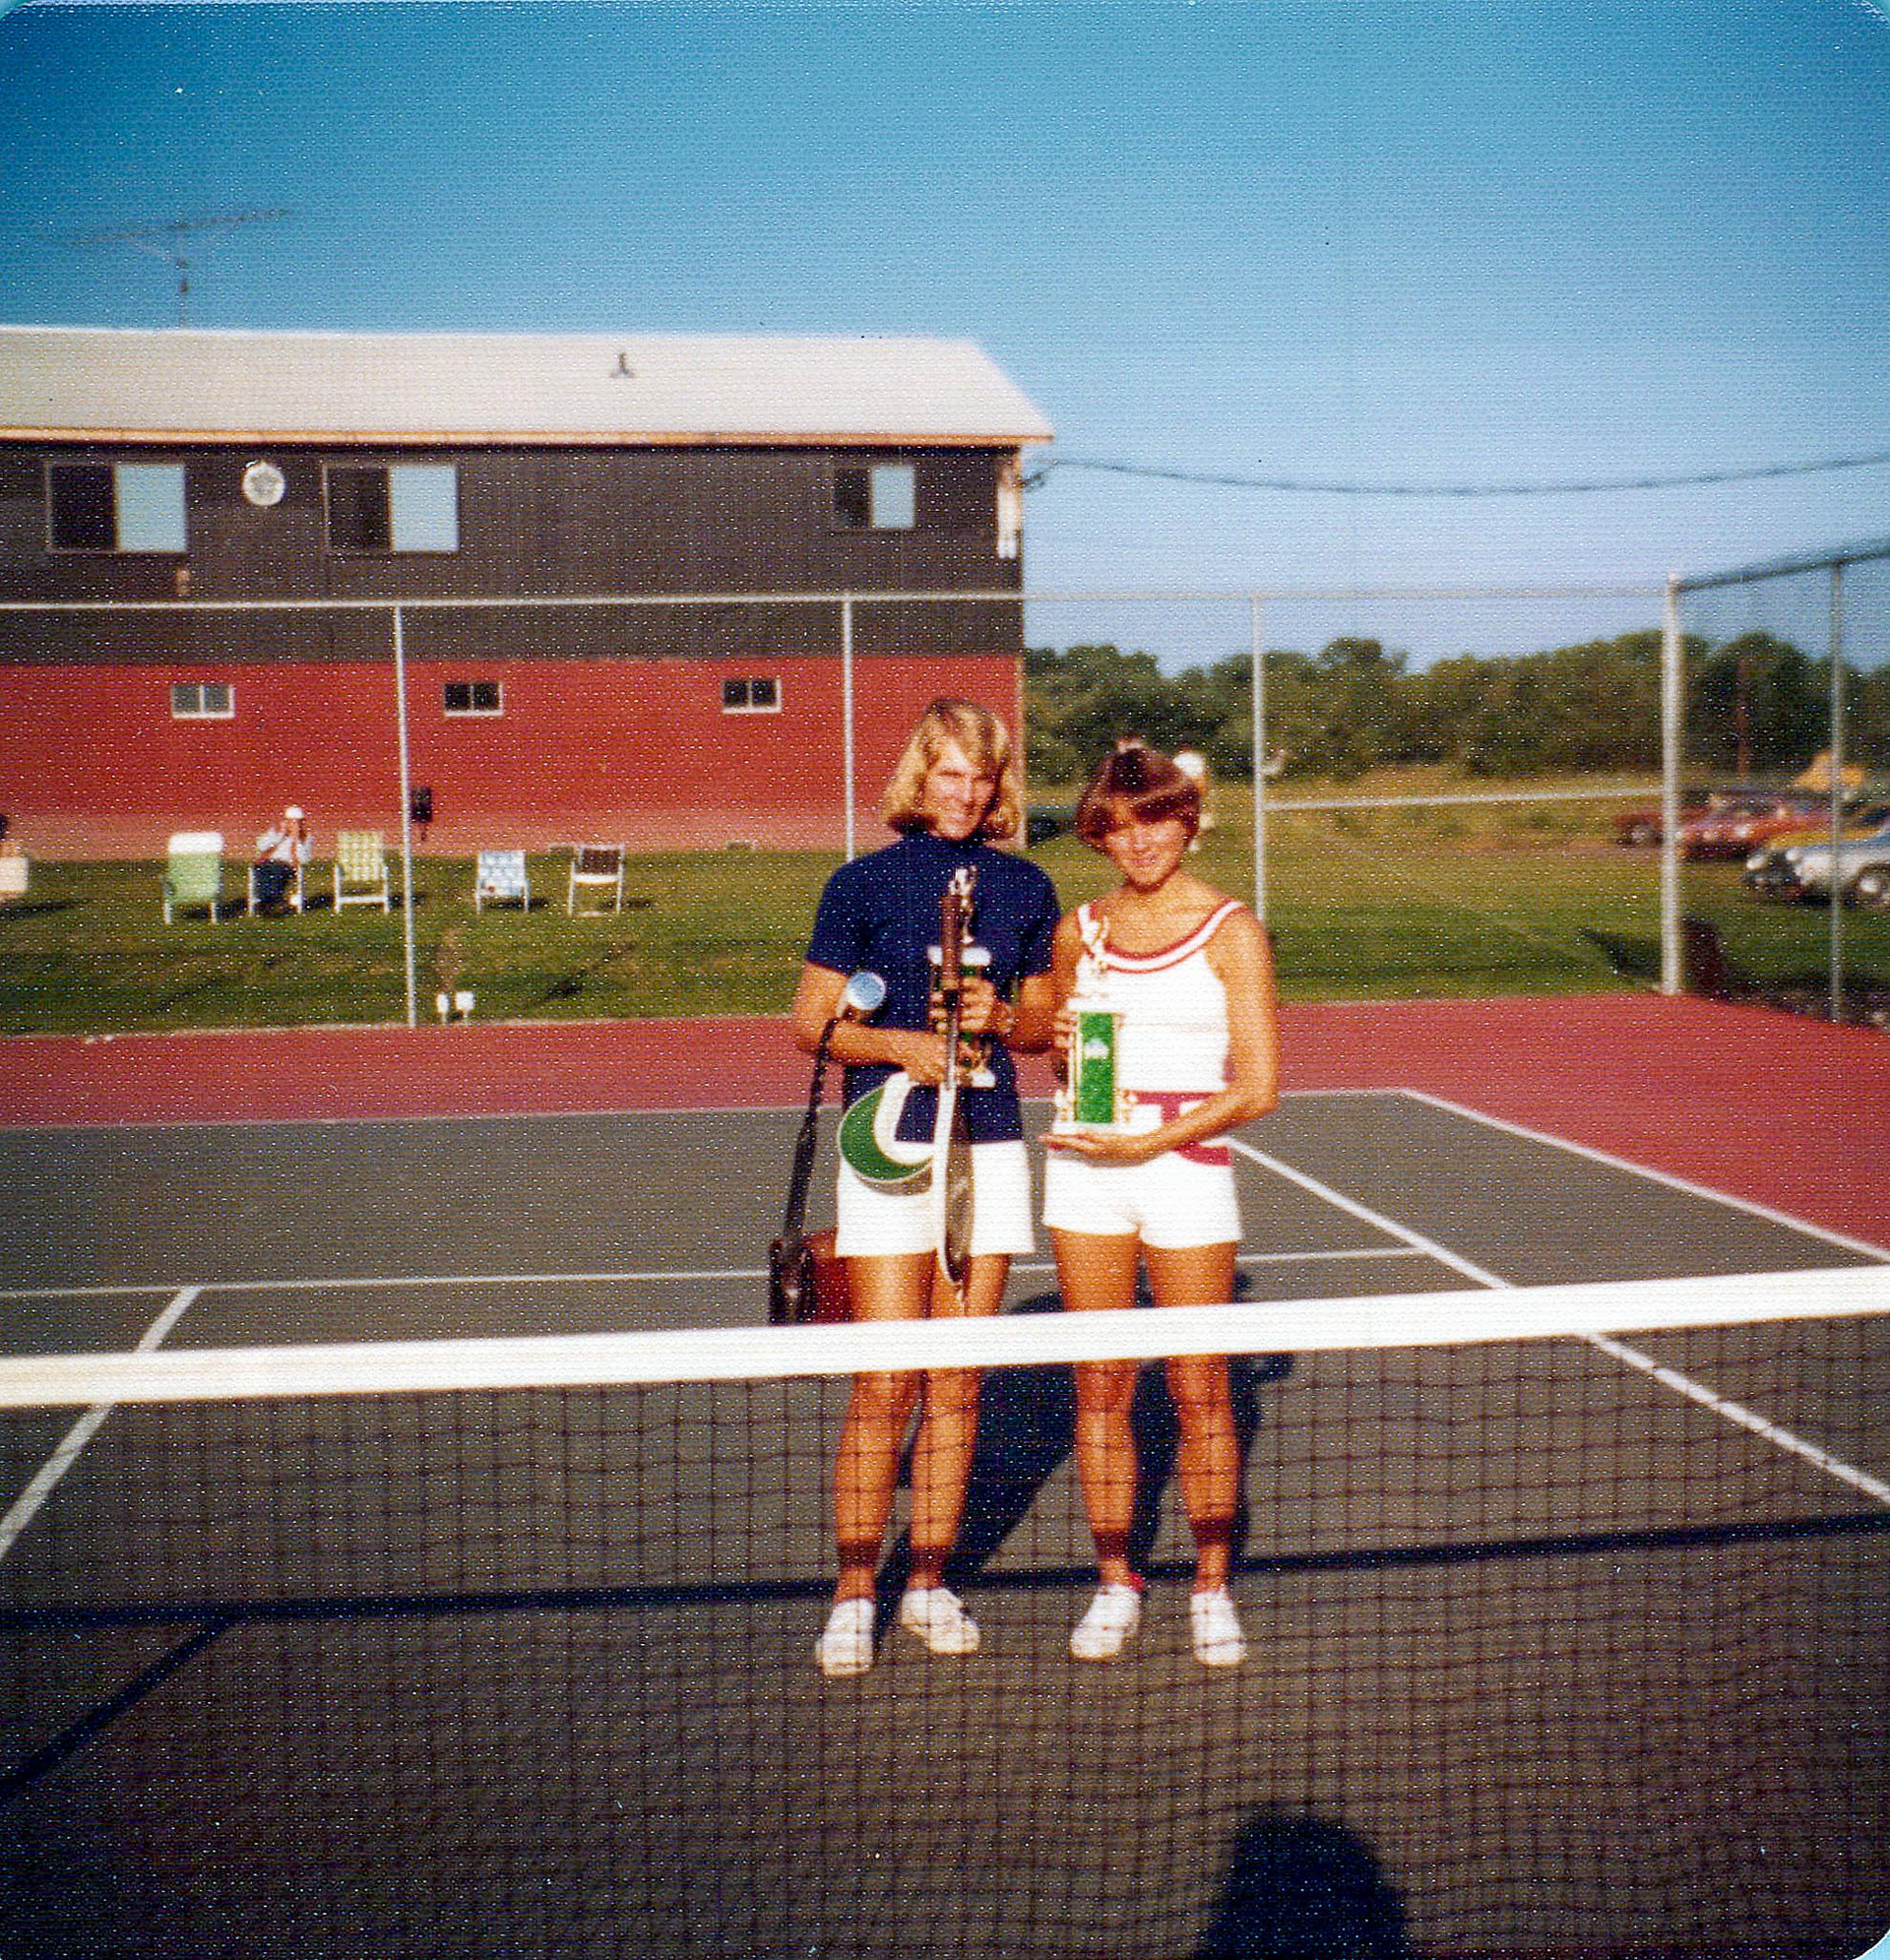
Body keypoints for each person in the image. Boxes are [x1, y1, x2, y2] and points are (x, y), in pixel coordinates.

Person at [793, 699, 1059, 1678]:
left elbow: (1045, 1027)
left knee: (957, 1381)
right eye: (950, 773)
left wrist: (1002, 1017)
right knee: (885, 1381)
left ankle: (929, 1582)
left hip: (986, 1149)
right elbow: (811, 1024)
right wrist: (902, 1044)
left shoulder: (1027, 886)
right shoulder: (860, 883)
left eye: (982, 777)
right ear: (920, 775)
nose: (967, 792)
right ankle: (854, 1592)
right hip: (888, 1148)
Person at [1041, 742, 1280, 1667]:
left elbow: (1258, 1086)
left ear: (1187, 822)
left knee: (1198, 1385)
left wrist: (1152, 1141)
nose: (1140, 842)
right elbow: (1063, 1057)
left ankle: (1211, 1586)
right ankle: (1115, 1581)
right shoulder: (1080, 930)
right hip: (1085, 1169)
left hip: (1184, 1165)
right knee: (1100, 1384)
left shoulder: (1231, 928)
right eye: (1120, 825)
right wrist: (1061, 1043)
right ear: (1100, 835)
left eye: (1157, 821)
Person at [253, 806, 311, 912]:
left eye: (297, 822)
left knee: (275, 870)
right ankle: (270, 901)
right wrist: (280, 835)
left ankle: (268, 902)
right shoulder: (275, 832)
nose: (294, 825)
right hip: (267, 862)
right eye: (291, 822)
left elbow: (304, 859)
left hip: (287, 865)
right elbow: (261, 846)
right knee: (265, 871)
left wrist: (297, 839)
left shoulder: (305, 837)